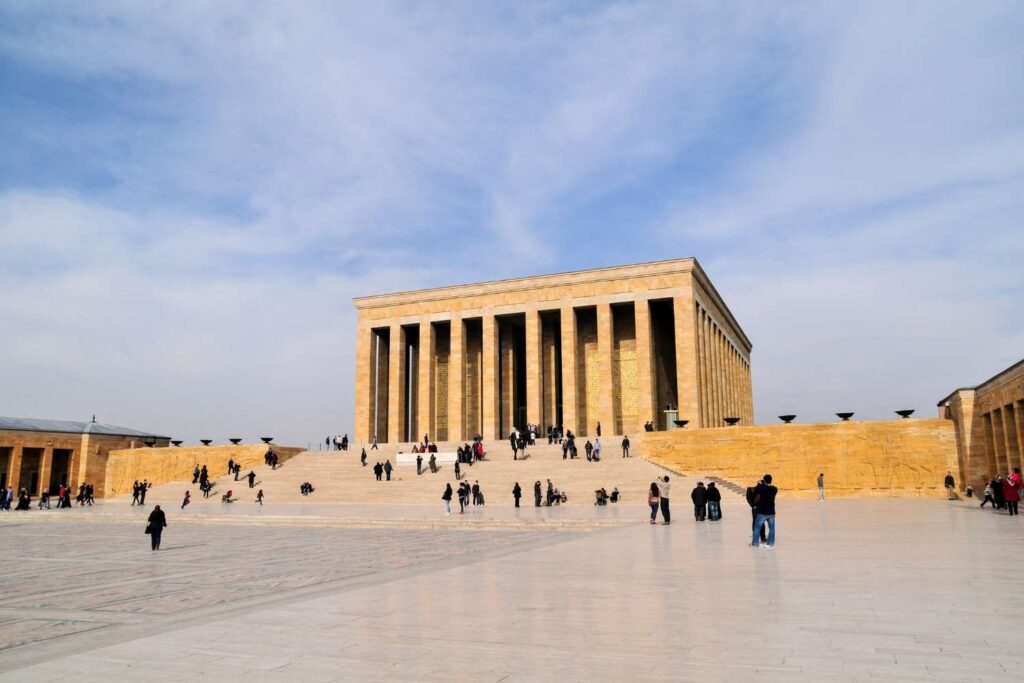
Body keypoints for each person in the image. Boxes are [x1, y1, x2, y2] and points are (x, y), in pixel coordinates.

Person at [749, 474, 778, 549]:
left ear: (764, 481)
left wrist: (759, 484)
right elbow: (767, 488)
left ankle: (755, 543)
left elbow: (755, 491)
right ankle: (770, 544)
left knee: (757, 528)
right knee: (772, 528)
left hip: (762, 512)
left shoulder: (762, 488)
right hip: (771, 512)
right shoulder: (775, 489)